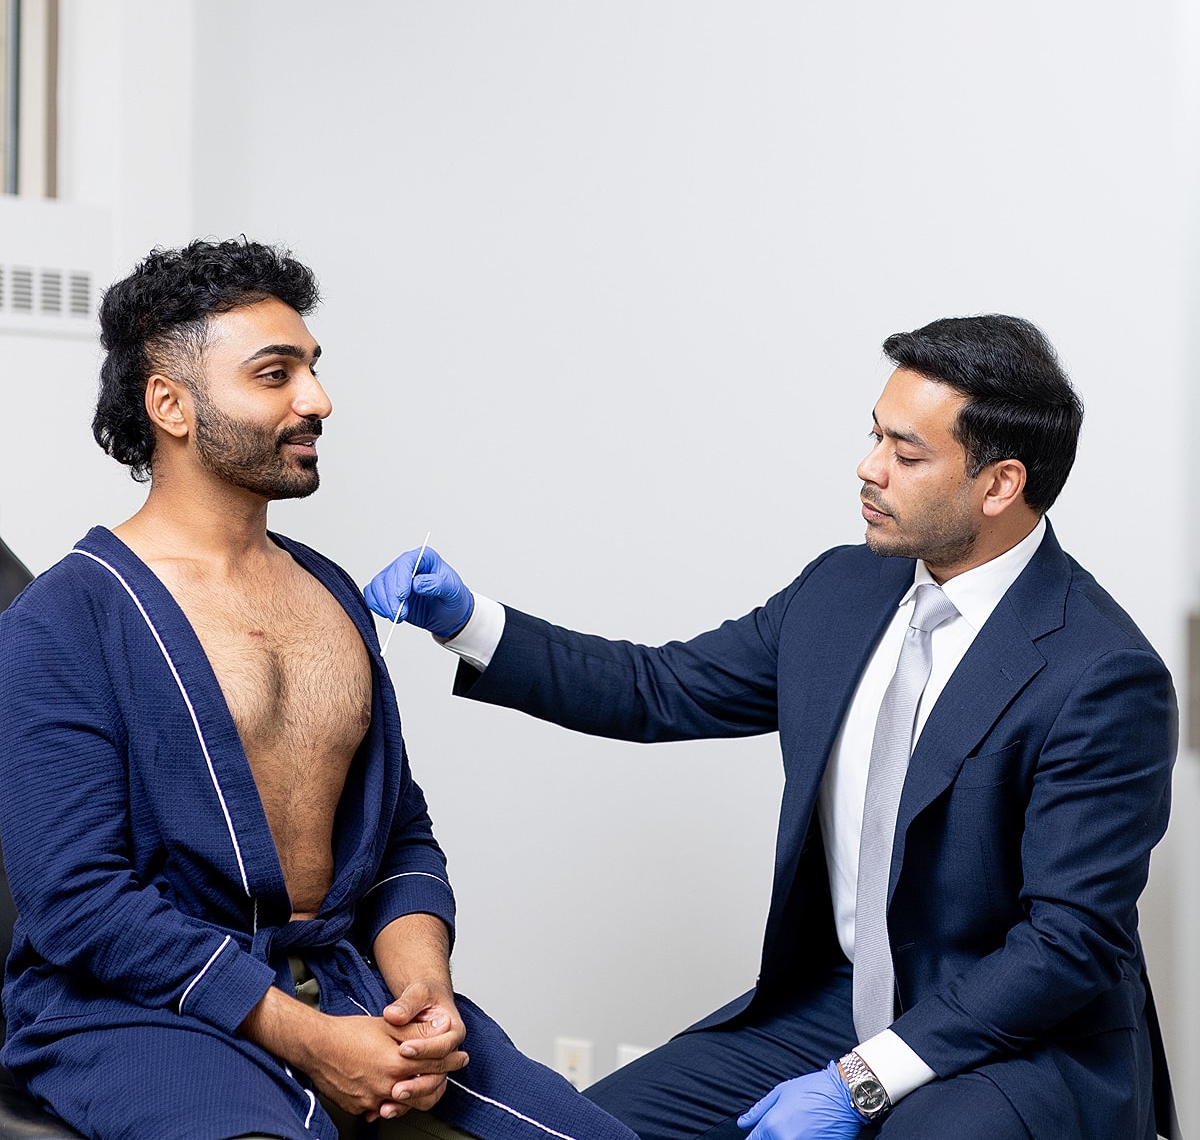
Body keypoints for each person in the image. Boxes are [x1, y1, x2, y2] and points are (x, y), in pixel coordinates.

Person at [365, 315, 1178, 1140]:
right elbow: (659, 688)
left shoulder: (1102, 673)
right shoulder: (842, 589)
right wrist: (471, 623)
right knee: (595, 1128)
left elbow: (1067, 945)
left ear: (999, 485)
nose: (867, 469)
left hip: (1023, 1043)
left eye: (906, 454)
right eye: (874, 436)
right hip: (840, 1003)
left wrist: (859, 1082)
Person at [0, 240, 635, 1140]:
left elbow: (399, 834)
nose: (317, 400)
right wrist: (310, 1039)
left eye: (312, 368)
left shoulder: (328, 592)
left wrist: (422, 990)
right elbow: (78, 901)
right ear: (170, 404)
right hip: (135, 1011)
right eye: (275, 374)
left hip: (345, 982)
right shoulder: (66, 618)